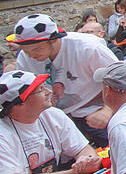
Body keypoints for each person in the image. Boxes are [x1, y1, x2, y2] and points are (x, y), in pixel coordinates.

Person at [10, 14, 118, 147]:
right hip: (57, 118)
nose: (31, 55)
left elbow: (119, 76)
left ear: (54, 40)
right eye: (26, 51)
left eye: (37, 49)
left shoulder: (87, 47)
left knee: (114, 146)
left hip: (95, 110)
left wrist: (107, 110)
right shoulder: (25, 58)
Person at [0, 70, 101, 174]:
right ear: (19, 104)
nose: (49, 92)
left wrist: (85, 160)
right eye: (40, 90)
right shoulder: (3, 134)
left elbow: (83, 149)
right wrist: (72, 173)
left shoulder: (53, 114)